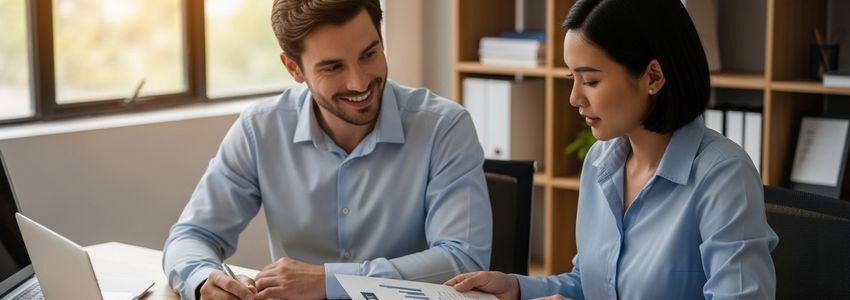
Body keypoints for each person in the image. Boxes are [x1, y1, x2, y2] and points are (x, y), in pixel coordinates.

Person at [446, 0, 778, 299]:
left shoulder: (723, 175)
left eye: (590, 81)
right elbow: (594, 284)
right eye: (572, 78)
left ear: (653, 76)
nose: (574, 98)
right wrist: (516, 287)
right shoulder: (600, 163)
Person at [162, 0, 492, 299]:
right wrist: (204, 279)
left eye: (369, 54)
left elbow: (461, 259)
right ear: (293, 69)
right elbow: (192, 235)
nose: (360, 82)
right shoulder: (260, 130)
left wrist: (331, 280)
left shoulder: (444, 127)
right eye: (333, 67)